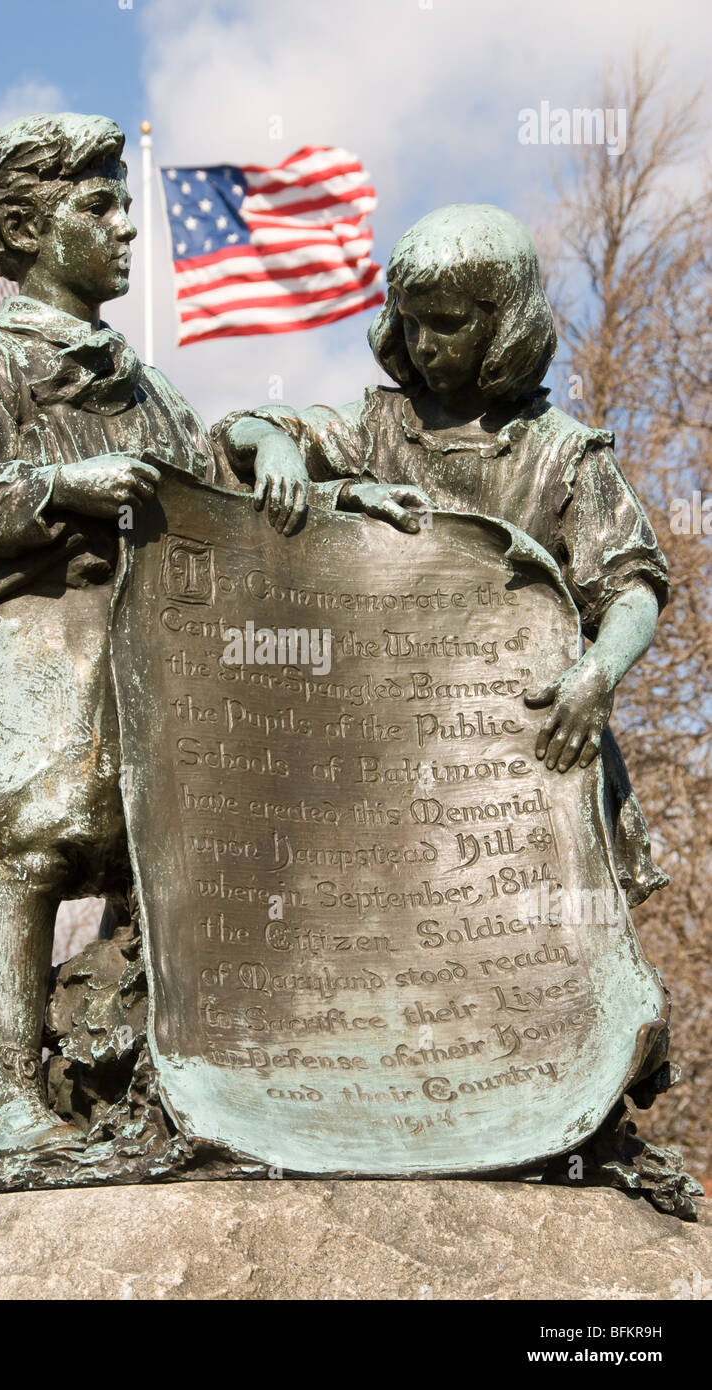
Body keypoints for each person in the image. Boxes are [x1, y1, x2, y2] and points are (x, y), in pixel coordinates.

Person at [0, 113, 301, 1160]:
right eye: (100, 207)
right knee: (28, 854)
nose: (125, 226)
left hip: (152, 657)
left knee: (151, 860)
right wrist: (63, 485)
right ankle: (6, 1098)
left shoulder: (147, 384)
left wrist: (259, 433)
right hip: (50, 641)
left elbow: (201, 474)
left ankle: (145, 1077)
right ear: (31, 230)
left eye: (125, 204)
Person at [214, 203, 670, 906]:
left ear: (505, 324)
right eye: (411, 321)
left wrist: (599, 674)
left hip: (526, 743)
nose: (424, 345)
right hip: (393, 749)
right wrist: (274, 443)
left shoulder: (564, 455)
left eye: (448, 324)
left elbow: (632, 587)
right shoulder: (376, 428)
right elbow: (249, 430)